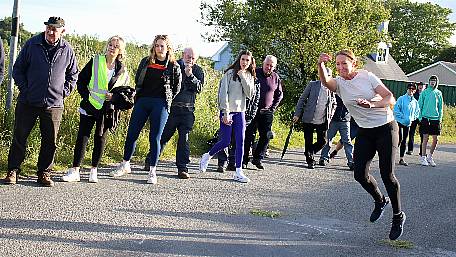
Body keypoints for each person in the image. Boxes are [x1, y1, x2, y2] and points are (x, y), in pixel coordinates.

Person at [318, 49, 405, 240]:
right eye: (337, 64)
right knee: (359, 174)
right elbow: (325, 82)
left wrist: (371, 104)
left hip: (385, 128)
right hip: (365, 130)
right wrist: (321, 65)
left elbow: (390, 98)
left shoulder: (367, 76)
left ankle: (398, 216)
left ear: (353, 63)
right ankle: (380, 201)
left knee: (387, 174)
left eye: (344, 63)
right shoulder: (339, 83)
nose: (340, 67)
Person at [2, 17, 78, 187]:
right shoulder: (32, 44)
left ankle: (44, 172)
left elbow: (73, 75)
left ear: (62, 31)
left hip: (54, 104)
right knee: (20, 137)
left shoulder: (67, 49)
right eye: (49, 28)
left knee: (50, 141)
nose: (51, 32)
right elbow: (18, 69)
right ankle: (13, 171)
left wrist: (62, 93)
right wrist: (25, 89)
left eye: (55, 29)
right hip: (28, 101)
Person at [110, 35, 181, 184]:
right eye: (157, 46)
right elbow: (138, 80)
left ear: (168, 48)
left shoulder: (173, 66)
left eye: (162, 46)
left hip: (161, 103)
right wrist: (139, 97)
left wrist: (166, 100)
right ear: (153, 47)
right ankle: (125, 164)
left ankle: (152, 171)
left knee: (155, 137)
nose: (159, 49)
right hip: (143, 100)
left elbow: (176, 87)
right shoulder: (146, 61)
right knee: (132, 133)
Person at [61, 35, 131, 183]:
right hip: (89, 106)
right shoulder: (96, 61)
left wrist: (114, 98)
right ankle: (75, 170)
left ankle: (94, 170)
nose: (112, 48)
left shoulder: (123, 70)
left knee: (100, 139)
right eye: (110, 45)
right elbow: (81, 81)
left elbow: (125, 92)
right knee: (83, 137)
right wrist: (86, 97)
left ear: (120, 51)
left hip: (107, 110)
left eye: (115, 46)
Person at [199, 50, 256, 183]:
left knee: (241, 141)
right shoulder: (229, 74)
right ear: (239, 59)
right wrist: (225, 112)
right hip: (228, 111)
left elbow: (249, 94)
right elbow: (223, 94)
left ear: (250, 62)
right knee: (225, 141)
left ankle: (238, 171)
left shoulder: (249, 76)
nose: (244, 62)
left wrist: (242, 76)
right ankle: (207, 156)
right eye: (243, 59)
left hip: (240, 112)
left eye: (247, 60)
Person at [157, 47, 204, 179]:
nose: (190, 59)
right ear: (183, 55)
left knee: (184, 139)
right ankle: (151, 159)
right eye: (188, 56)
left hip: (188, 110)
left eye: (193, 57)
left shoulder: (198, 70)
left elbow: (198, 88)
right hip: (172, 109)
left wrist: (190, 76)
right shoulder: (173, 65)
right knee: (164, 136)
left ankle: (182, 168)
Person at [243, 55, 283, 170]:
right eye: (267, 64)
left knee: (266, 136)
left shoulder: (276, 77)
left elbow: (279, 95)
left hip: (266, 111)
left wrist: (272, 108)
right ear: (263, 63)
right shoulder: (254, 73)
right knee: (248, 135)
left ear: (274, 67)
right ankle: (244, 160)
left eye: (271, 66)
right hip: (251, 110)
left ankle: (258, 158)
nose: (269, 67)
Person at [293, 67, 336, 169]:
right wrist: (297, 114)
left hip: (322, 120)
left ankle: (309, 152)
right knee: (308, 140)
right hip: (309, 118)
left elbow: (334, 104)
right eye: (324, 75)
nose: (326, 77)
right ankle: (310, 161)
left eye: (329, 75)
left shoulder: (332, 88)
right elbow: (302, 99)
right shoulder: (312, 84)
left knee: (323, 141)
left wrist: (330, 115)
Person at [217, 80, 260, 172]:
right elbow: (223, 94)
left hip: (246, 115)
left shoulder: (255, 82)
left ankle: (232, 162)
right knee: (224, 138)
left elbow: (256, 100)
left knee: (238, 139)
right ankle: (222, 162)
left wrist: (251, 115)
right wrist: (224, 111)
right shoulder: (231, 77)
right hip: (231, 112)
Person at [319, 94, 354, 170]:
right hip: (333, 119)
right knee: (328, 139)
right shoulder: (335, 90)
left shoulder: (351, 92)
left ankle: (351, 161)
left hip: (345, 120)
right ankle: (323, 158)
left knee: (347, 141)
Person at [418, 75, 443, 167]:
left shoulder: (439, 93)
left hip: (435, 119)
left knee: (436, 139)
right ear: (429, 82)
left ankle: (430, 156)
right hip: (425, 118)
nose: (433, 82)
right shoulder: (424, 92)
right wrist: (420, 118)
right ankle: (423, 157)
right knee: (425, 138)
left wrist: (440, 119)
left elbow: (440, 108)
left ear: (436, 82)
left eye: (434, 81)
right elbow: (419, 106)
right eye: (431, 80)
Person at [393, 83, 420, 166]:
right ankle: (391, 157)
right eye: (409, 88)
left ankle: (401, 158)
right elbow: (396, 110)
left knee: (404, 140)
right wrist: (403, 117)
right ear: (407, 89)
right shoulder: (401, 99)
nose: (411, 90)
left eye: (413, 89)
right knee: (398, 139)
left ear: (415, 91)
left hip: (407, 124)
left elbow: (417, 112)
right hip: (399, 121)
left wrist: (411, 119)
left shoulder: (415, 102)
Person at [406, 81, 425, 156]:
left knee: (422, 134)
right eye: (419, 86)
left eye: (422, 86)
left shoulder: (426, 94)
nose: (420, 87)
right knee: (411, 132)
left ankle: (422, 151)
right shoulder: (414, 94)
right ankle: (410, 149)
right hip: (414, 116)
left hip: (422, 116)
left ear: (424, 87)